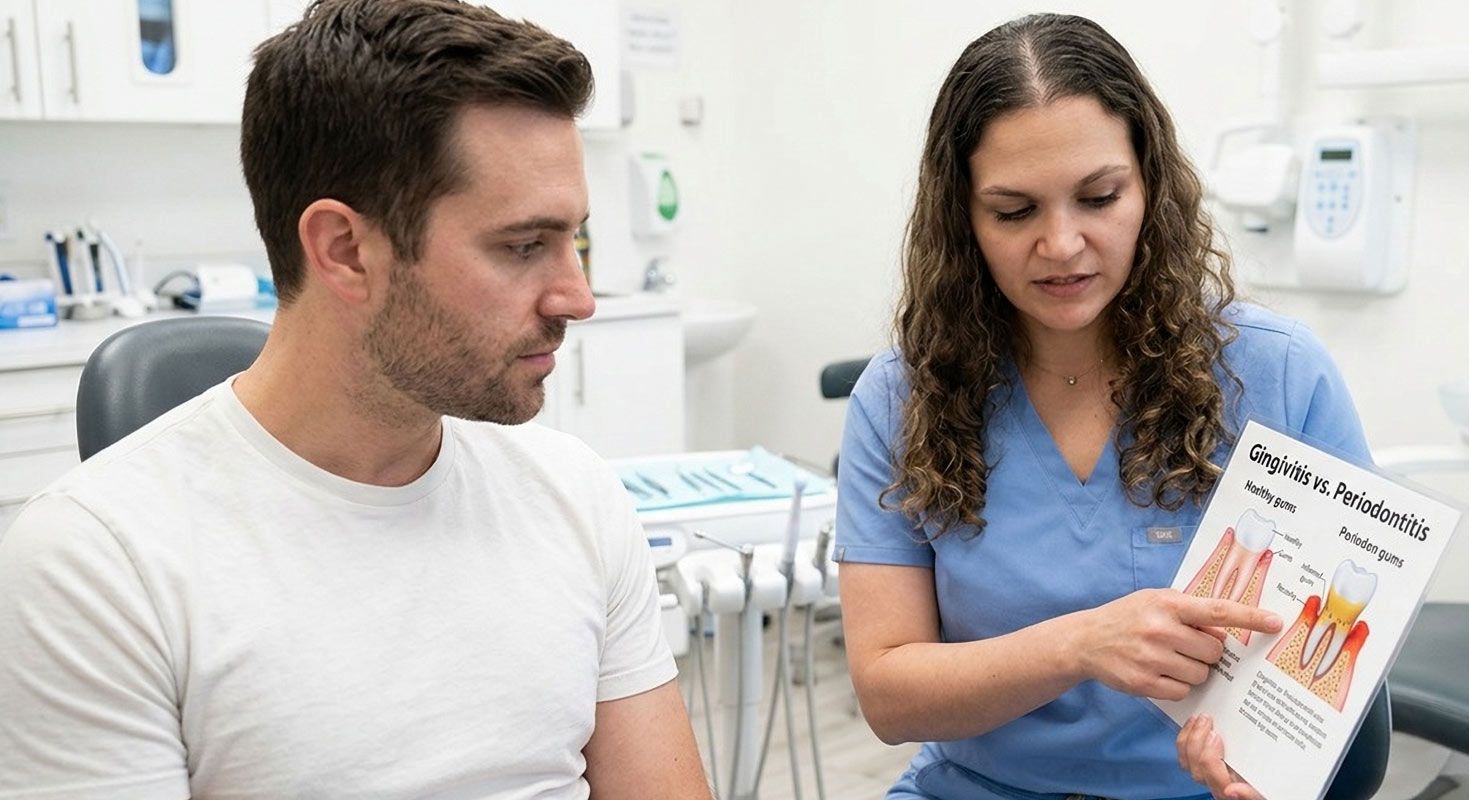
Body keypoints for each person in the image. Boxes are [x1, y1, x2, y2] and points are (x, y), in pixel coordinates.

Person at [0, 1, 710, 797]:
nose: (577, 298)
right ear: (344, 251)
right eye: (522, 246)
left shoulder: (574, 494)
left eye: (573, 242)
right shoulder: (98, 564)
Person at [835, 14, 1375, 800]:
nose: (1061, 244)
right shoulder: (900, 397)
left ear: (1149, 186)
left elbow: (1349, 642)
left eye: (1098, 197)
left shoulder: (1277, 376)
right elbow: (888, 694)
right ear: (963, 218)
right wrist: (1081, 645)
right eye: (1014, 211)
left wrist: (1274, 764)